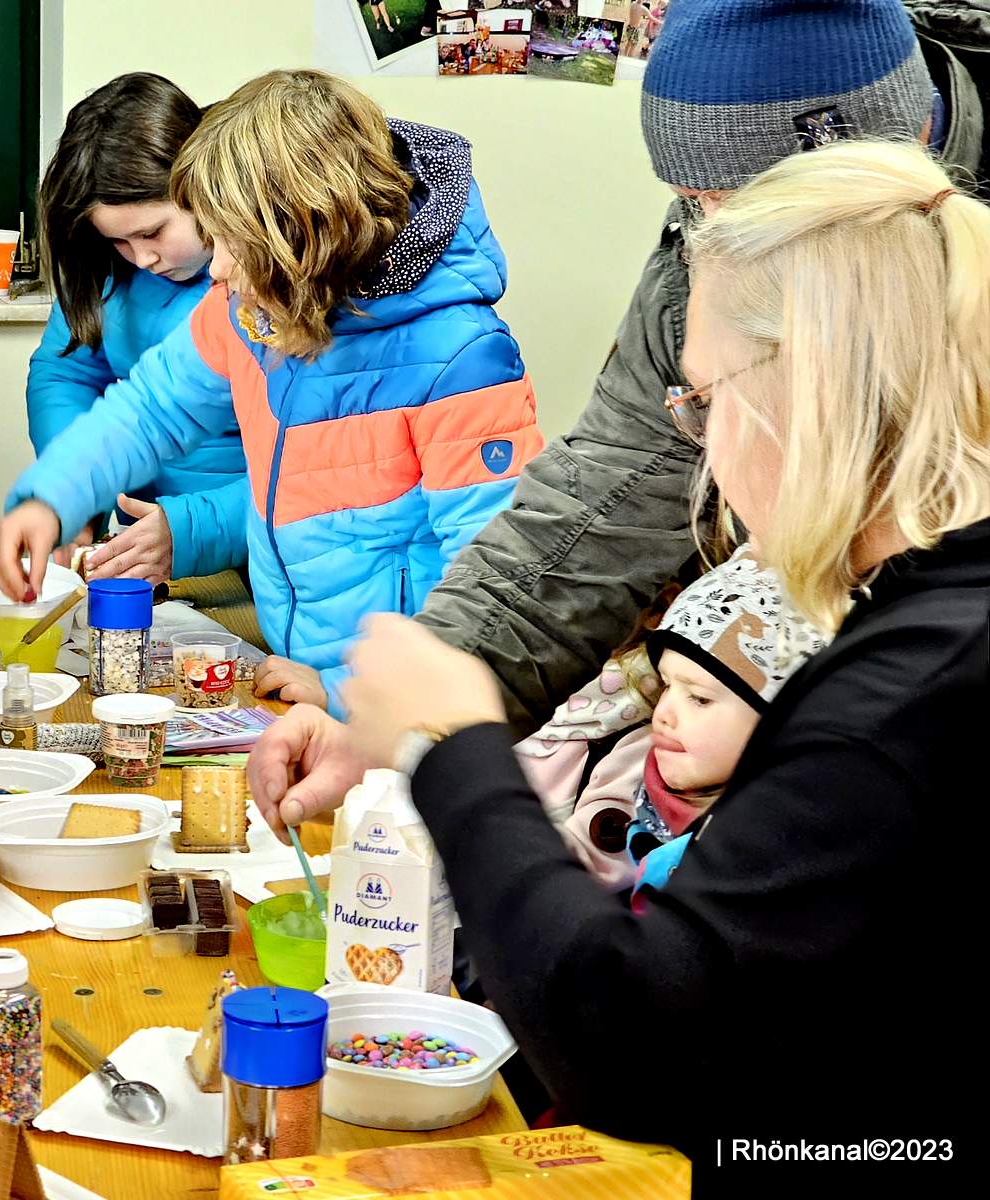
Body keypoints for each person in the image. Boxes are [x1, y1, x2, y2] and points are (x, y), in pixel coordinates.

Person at [253, 138, 989, 1186]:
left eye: (700, 405)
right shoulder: (927, 634)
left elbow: (630, 1043)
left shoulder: (898, 697)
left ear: (804, 394)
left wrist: (454, 746)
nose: (704, 454)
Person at [405, 0, 987, 738]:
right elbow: (594, 510)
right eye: (694, 200)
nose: (705, 232)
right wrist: (417, 707)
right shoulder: (712, 244)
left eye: (731, 206)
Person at [0, 70, 542, 717]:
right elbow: (149, 411)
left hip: (401, 713)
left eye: (232, 241)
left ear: (302, 232)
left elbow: (498, 594)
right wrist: (51, 498)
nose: (216, 270)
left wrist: (343, 694)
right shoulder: (253, 309)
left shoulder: (460, 357)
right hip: (308, 679)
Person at [32, 72, 246, 584]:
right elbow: (65, 376)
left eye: (152, 232)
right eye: (119, 242)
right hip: (152, 554)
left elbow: (324, 465)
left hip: (261, 558)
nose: (143, 258)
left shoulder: (266, 276)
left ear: (202, 182)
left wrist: (194, 529)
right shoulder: (103, 269)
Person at [517, 547, 826, 888]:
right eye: (666, 685)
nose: (662, 714)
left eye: (699, 698)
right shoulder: (648, 778)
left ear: (783, 721)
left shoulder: (776, 850)